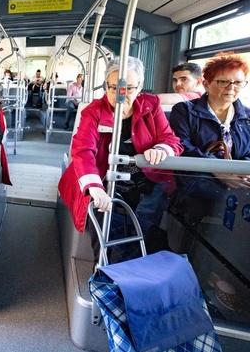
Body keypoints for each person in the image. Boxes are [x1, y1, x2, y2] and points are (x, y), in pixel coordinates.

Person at [58, 56, 182, 259]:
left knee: (148, 220)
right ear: (106, 85)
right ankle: (106, 268)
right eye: (113, 88)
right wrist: (95, 187)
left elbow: (171, 140)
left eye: (129, 88)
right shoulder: (94, 111)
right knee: (103, 212)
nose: (119, 95)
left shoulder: (151, 106)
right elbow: (83, 150)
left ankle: (140, 265)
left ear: (140, 86)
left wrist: (161, 148)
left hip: (145, 180)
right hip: (104, 177)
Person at [169, 52, 250, 192]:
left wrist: (240, 171)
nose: (231, 88)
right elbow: (182, 146)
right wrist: (214, 168)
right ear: (206, 85)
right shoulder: (184, 110)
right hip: (197, 179)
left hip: (240, 178)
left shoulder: (247, 116)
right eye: (223, 82)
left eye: (237, 83)